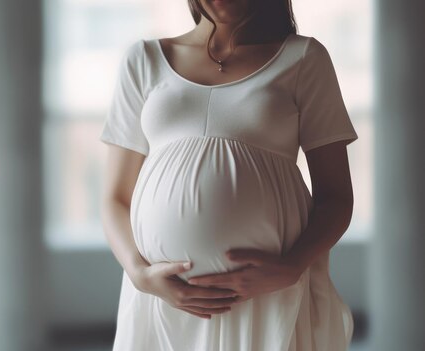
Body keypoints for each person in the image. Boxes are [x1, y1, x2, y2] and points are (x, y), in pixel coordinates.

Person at [99, 0, 358, 350]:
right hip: (162, 301)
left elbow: (336, 197)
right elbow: (115, 197)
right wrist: (139, 273)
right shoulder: (143, 60)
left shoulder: (303, 59)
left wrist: (293, 266)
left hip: (266, 299)